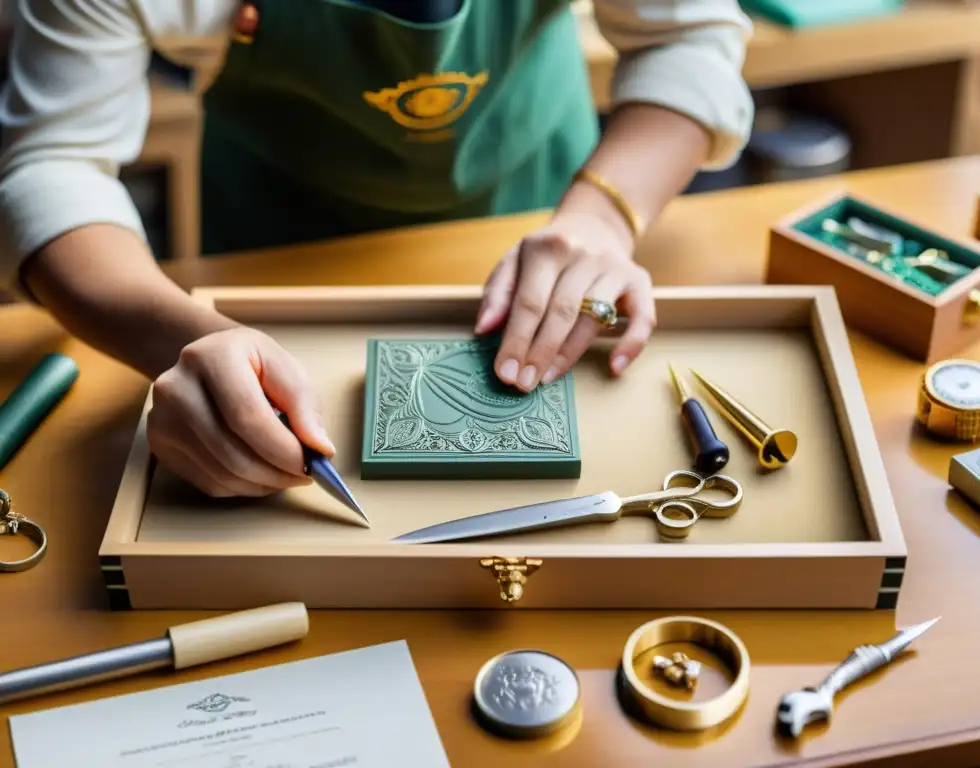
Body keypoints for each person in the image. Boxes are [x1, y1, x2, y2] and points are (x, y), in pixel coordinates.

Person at [0, 0, 754, 499]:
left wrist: (604, 219)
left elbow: (688, 33)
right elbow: (50, 165)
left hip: (544, 197)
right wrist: (179, 337)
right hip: (277, 241)